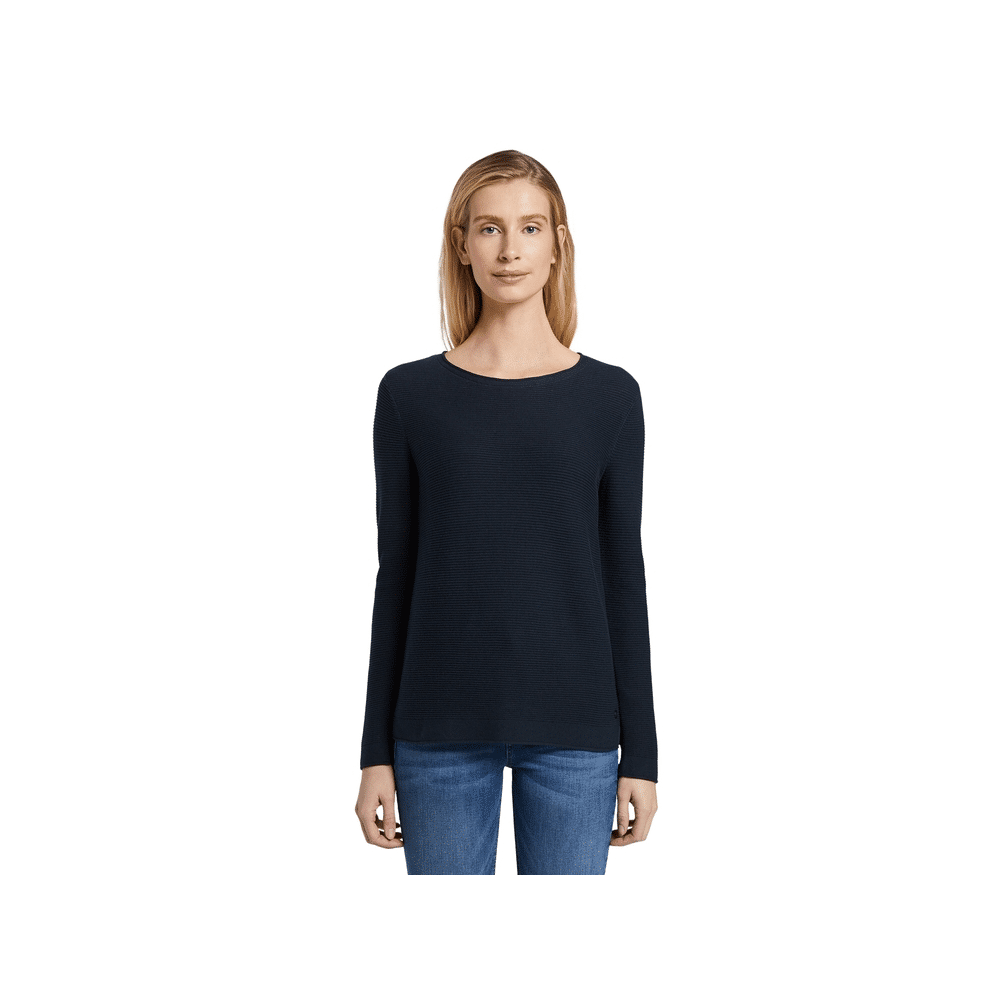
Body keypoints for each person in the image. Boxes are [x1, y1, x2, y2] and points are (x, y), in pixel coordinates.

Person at [354, 149, 658, 874]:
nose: (510, 249)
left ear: (558, 244)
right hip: (437, 728)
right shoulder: (410, 396)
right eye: (489, 228)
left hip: (577, 731)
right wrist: (373, 753)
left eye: (530, 227)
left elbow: (622, 576)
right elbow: (396, 575)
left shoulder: (611, 398)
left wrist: (642, 755)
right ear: (462, 245)